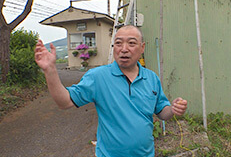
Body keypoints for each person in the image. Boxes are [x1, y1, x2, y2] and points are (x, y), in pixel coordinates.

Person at [34, 25, 188, 157]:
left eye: (131, 43)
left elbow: (162, 112)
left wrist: (173, 109)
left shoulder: (151, 78)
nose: (124, 49)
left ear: (142, 47)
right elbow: (64, 101)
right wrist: (50, 70)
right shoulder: (98, 77)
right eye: (118, 43)